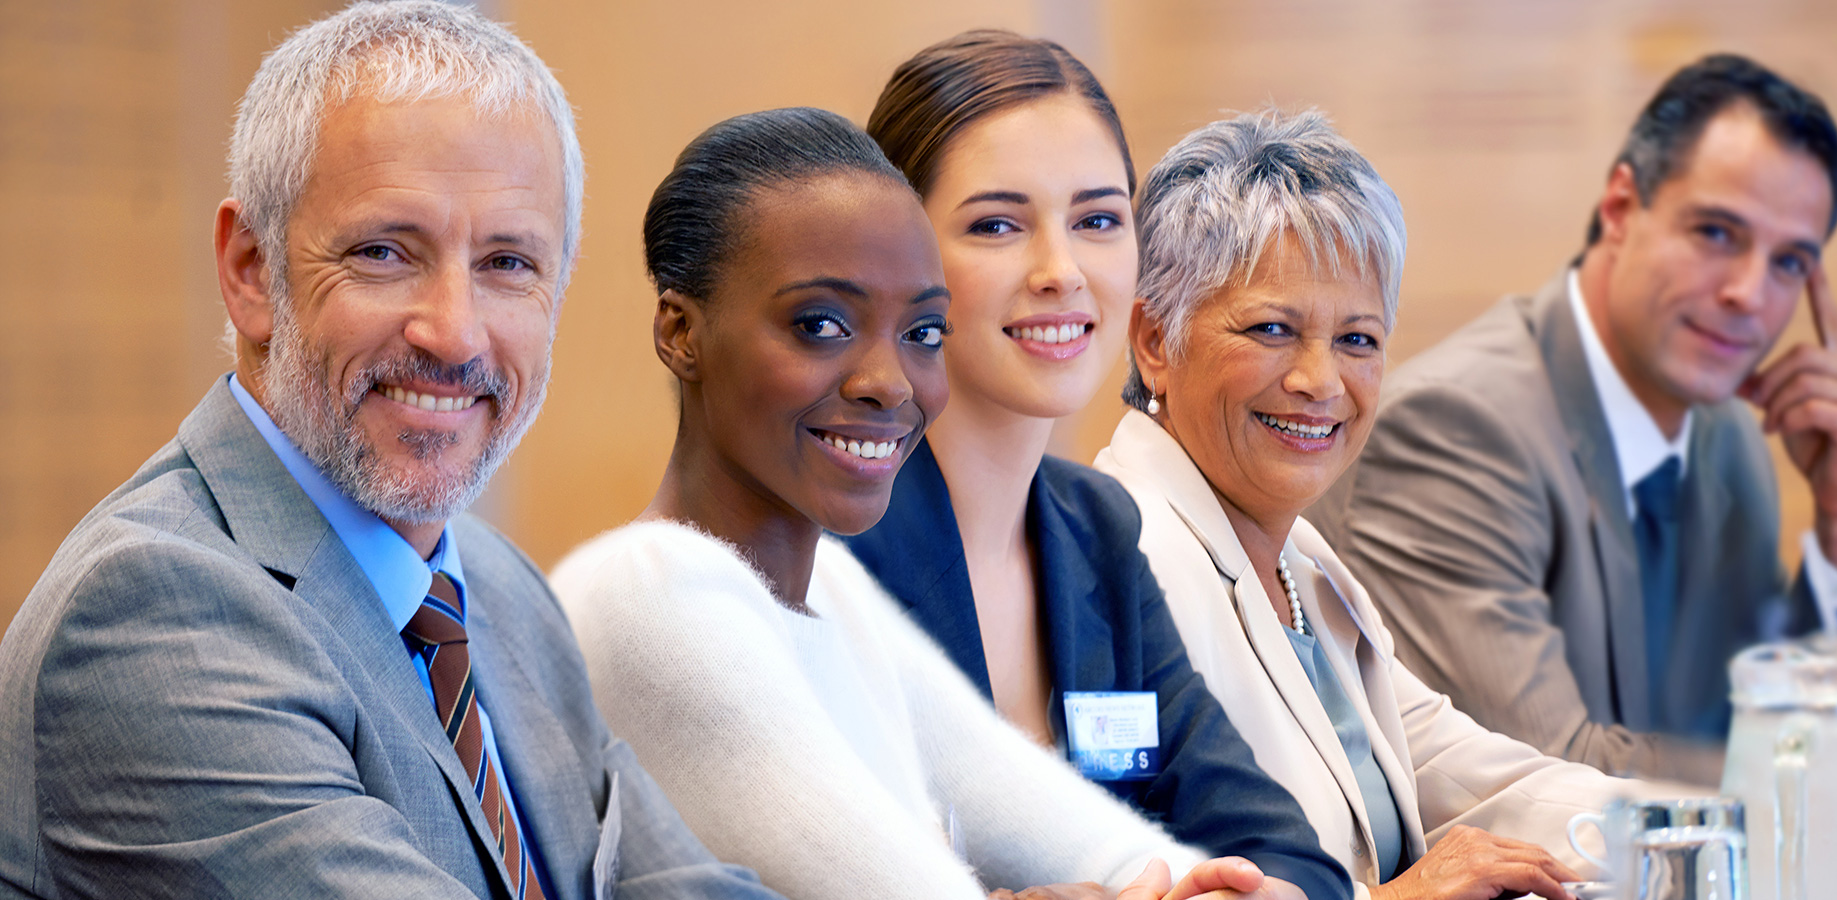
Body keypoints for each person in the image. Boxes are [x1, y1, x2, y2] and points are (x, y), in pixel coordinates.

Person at [0, 4, 783, 898]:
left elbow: (683, 886)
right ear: (253, 272)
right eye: (384, 252)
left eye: (508, 263)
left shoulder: (497, 589)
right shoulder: (152, 614)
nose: (454, 335)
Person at [549, 106, 1333, 900]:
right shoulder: (646, 591)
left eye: (923, 332)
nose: (887, 381)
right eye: (821, 324)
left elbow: (1114, 851)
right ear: (681, 333)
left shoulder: (830, 593)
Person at [845, 30, 1347, 895]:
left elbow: (1293, 860)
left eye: (1098, 221)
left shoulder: (1095, 531)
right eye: (998, 224)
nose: (1061, 271)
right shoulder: (823, 549)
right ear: (896, 255)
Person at [1095, 107, 1643, 900]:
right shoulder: (1115, 560)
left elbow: (1472, 774)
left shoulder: (1304, 562)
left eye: (1358, 340)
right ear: (1154, 343)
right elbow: (1119, 881)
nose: (1321, 381)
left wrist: (1698, 831)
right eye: (1274, 329)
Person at [1306, 54, 1837, 782]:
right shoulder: (1456, 424)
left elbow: (1774, 709)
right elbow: (1553, 778)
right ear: (1620, 208)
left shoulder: (1726, 435)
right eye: (1717, 233)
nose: (1751, 293)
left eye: (1790, 264)